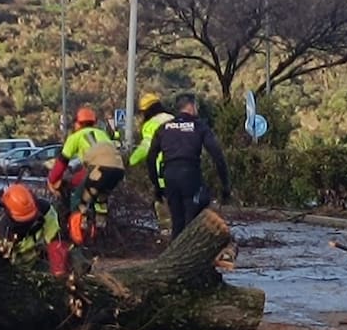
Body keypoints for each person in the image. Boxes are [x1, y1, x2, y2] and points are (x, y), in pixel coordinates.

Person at [145, 93, 231, 238]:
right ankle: (192, 245)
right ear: (191, 106)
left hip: (170, 176)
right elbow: (217, 155)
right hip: (190, 175)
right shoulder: (199, 126)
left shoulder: (164, 128)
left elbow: (150, 158)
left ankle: (176, 249)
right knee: (194, 217)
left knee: (177, 221)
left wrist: (157, 187)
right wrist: (225, 185)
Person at [47, 105, 125, 244]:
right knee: (100, 200)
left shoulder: (75, 137)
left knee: (78, 202)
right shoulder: (102, 134)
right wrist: (76, 180)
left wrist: (52, 180)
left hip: (100, 170)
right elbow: (89, 171)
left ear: (78, 123)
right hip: (117, 170)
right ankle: (100, 233)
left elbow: (61, 163)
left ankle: (77, 241)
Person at [0, 183, 69, 277]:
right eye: (25, 220)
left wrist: (59, 269)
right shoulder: (2, 235)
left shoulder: (44, 210)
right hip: (15, 270)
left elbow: (55, 240)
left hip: (35, 261)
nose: (30, 221)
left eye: (32, 217)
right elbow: (4, 267)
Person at [128, 92, 174, 240]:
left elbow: (146, 148)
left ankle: (167, 235)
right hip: (185, 168)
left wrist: (130, 160)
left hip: (164, 170)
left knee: (161, 204)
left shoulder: (150, 125)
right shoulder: (172, 118)